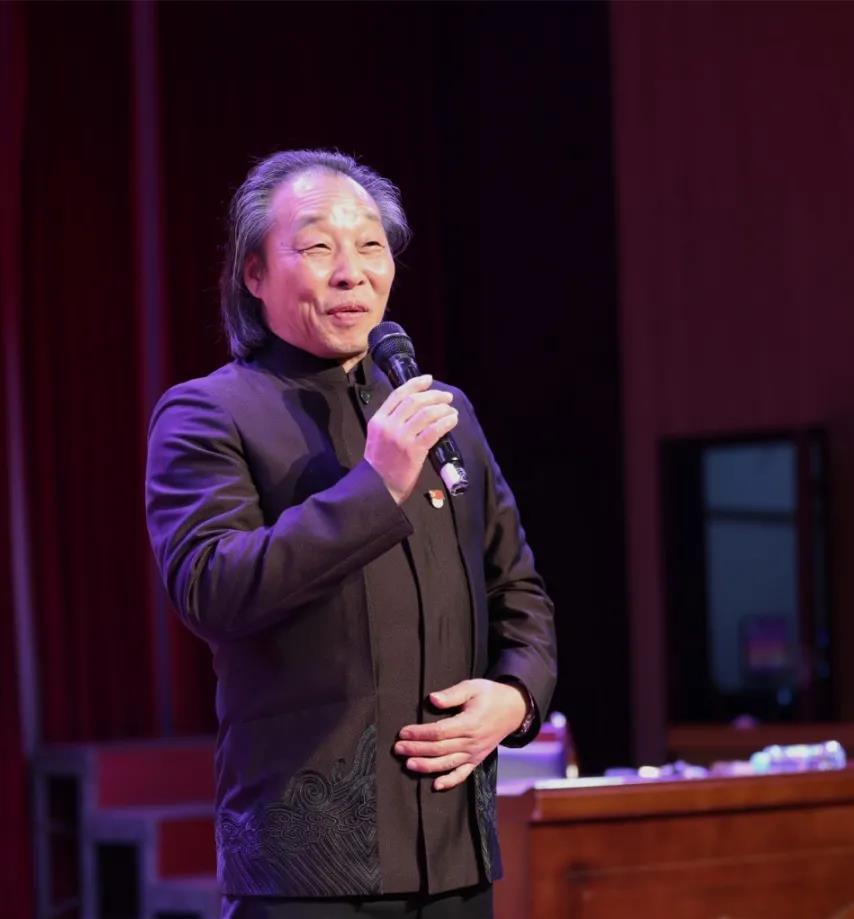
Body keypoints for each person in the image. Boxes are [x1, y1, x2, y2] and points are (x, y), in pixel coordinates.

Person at [145, 150, 557, 918]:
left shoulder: (442, 412)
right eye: (317, 246)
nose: (351, 272)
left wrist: (517, 695)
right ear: (253, 273)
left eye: (371, 245)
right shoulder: (207, 414)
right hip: (308, 866)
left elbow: (518, 588)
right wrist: (375, 486)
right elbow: (212, 588)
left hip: (455, 850)